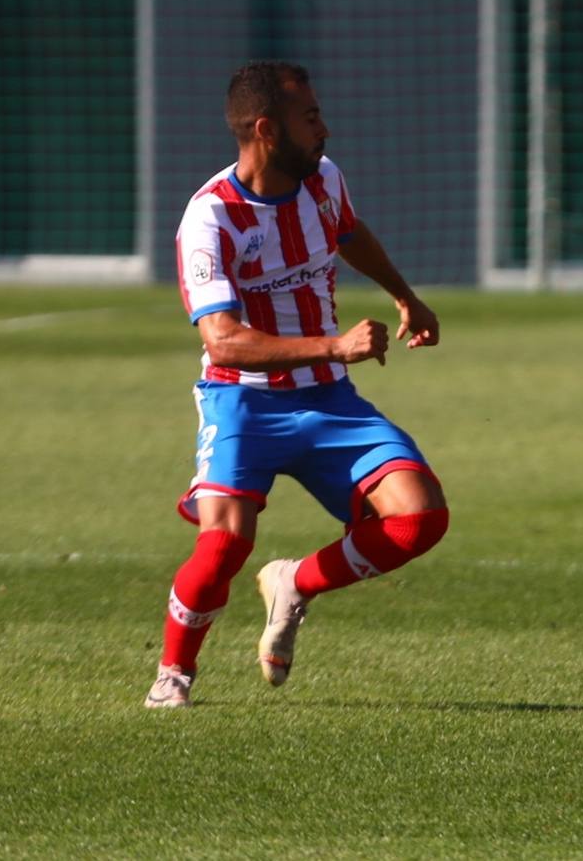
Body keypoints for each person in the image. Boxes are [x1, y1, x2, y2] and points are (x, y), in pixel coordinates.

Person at [145, 61, 450, 708]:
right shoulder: (210, 219)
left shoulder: (322, 181)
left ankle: (295, 582)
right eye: (309, 117)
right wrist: (335, 344)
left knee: (419, 518)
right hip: (242, 402)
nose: (324, 128)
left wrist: (405, 297)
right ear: (266, 129)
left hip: (328, 399)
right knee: (223, 545)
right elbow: (222, 340)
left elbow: (348, 231)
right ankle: (173, 676)